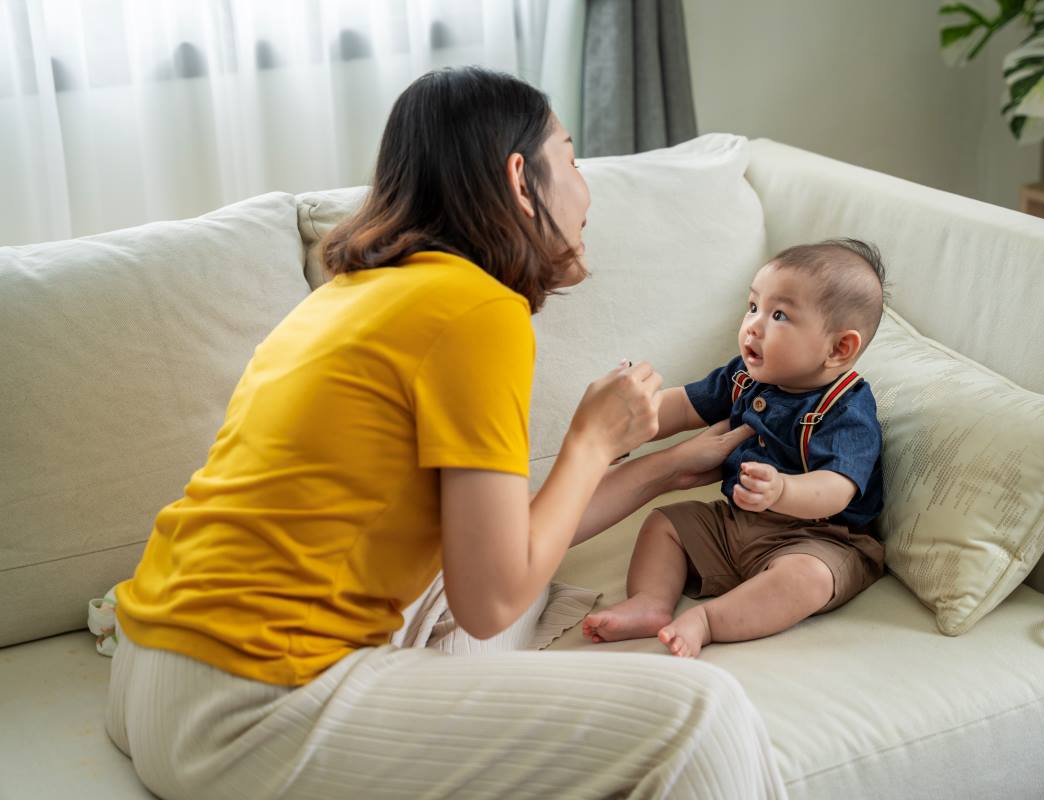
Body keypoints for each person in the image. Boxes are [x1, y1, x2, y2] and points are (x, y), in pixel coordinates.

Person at [104, 66, 785, 799]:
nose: (587, 191)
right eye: (573, 158)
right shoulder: (478, 312)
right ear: (521, 179)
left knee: (510, 596)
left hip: (151, 668)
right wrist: (592, 439)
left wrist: (660, 467)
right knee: (702, 716)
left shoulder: (355, 292)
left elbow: (496, 557)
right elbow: (488, 598)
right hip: (248, 707)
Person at [582, 241, 888, 658]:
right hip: (737, 522)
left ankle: (708, 620)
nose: (753, 326)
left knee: (808, 579)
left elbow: (837, 487)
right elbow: (685, 406)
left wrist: (782, 491)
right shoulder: (744, 376)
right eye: (753, 307)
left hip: (818, 537)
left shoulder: (846, 406)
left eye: (779, 315)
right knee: (665, 525)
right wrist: (627, 422)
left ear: (838, 349)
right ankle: (650, 602)